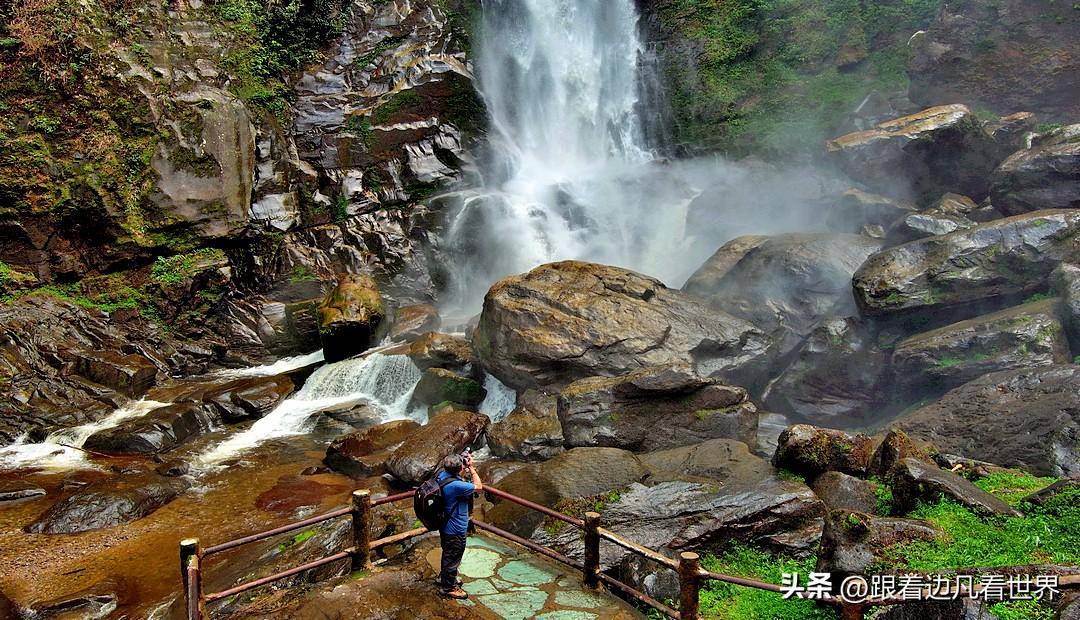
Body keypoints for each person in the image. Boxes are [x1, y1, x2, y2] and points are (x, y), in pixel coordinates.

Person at [436, 452, 482, 599]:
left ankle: (444, 578)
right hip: (455, 528)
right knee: (453, 556)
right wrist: (472, 468)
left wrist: (463, 467)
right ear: (460, 468)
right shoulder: (457, 485)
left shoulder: (441, 476)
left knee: (448, 553)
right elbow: (479, 487)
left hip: (444, 524)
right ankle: (448, 587)